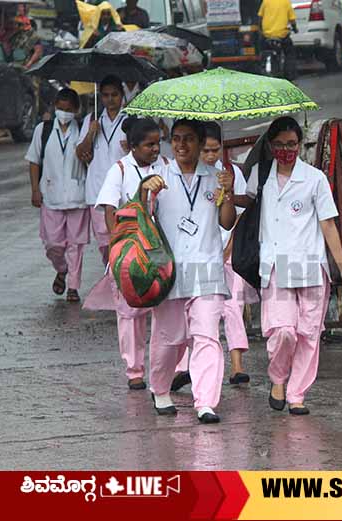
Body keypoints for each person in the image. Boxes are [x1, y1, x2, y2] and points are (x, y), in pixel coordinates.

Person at [242, 116, 342, 416]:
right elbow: (244, 212)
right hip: (275, 267)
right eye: (280, 145)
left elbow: (328, 225)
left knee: (309, 335)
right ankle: (278, 378)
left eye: (292, 144)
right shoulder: (259, 174)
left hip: (311, 267)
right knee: (283, 332)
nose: (286, 150)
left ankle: (297, 393)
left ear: (300, 145)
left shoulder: (315, 179)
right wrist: (225, 191)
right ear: (270, 146)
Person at [139, 119, 237, 424]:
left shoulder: (216, 178)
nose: (182, 145)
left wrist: (228, 192)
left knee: (207, 336)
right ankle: (160, 389)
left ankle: (206, 401)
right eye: (177, 139)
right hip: (169, 271)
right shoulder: (159, 178)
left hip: (207, 269)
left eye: (189, 139)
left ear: (200, 143)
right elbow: (139, 220)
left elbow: (227, 222)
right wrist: (144, 192)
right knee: (169, 339)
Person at [171, 123, 256, 388]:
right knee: (189, 314)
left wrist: (229, 247)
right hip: (198, 257)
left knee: (233, 307)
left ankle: (237, 365)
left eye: (215, 150)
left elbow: (237, 217)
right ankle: (183, 366)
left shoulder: (229, 175)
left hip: (229, 254)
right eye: (206, 150)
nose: (211, 156)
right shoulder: (183, 177)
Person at [95, 117, 169, 390]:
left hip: (159, 251)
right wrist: (119, 251)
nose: (155, 149)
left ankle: (169, 367)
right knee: (130, 314)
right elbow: (109, 211)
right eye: (149, 144)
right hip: (130, 252)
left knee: (165, 309)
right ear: (133, 146)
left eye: (158, 143)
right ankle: (134, 370)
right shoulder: (119, 170)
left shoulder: (166, 166)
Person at [25, 88, 89, 303]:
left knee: (75, 245)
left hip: (78, 196)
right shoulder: (43, 130)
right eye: (60, 108)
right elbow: (34, 161)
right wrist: (35, 189)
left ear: (76, 110)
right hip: (50, 196)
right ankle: (61, 269)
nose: (64, 113)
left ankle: (73, 286)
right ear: (54, 107)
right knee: (53, 244)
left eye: (68, 109)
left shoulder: (83, 130)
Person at [76, 75, 127, 266]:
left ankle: (119, 280)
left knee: (122, 241)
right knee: (104, 244)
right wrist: (90, 133)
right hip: (97, 191)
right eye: (105, 95)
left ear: (122, 95)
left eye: (114, 95)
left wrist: (131, 147)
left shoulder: (131, 119)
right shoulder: (92, 119)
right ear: (100, 96)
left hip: (124, 191)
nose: (110, 99)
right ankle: (112, 277)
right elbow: (81, 153)